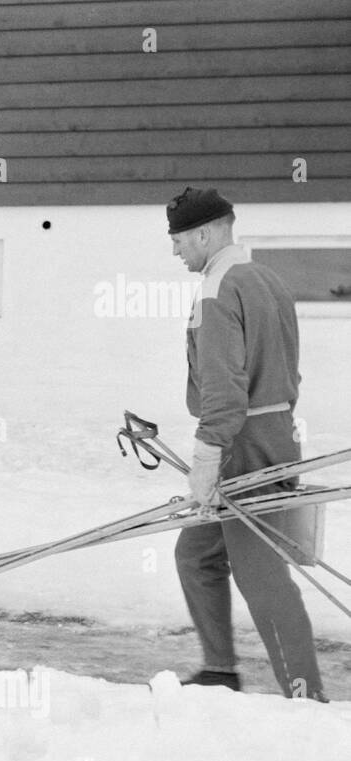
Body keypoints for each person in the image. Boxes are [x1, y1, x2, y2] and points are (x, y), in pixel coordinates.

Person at [166, 186, 326, 700]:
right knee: (196, 554)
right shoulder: (267, 279)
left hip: (240, 442)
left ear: (205, 233)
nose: (175, 251)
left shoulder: (218, 289)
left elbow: (225, 388)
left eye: (179, 240)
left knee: (260, 574)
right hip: (275, 431)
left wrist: (209, 454)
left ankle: (305, 692)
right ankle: (219, 668)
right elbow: (289, 369)